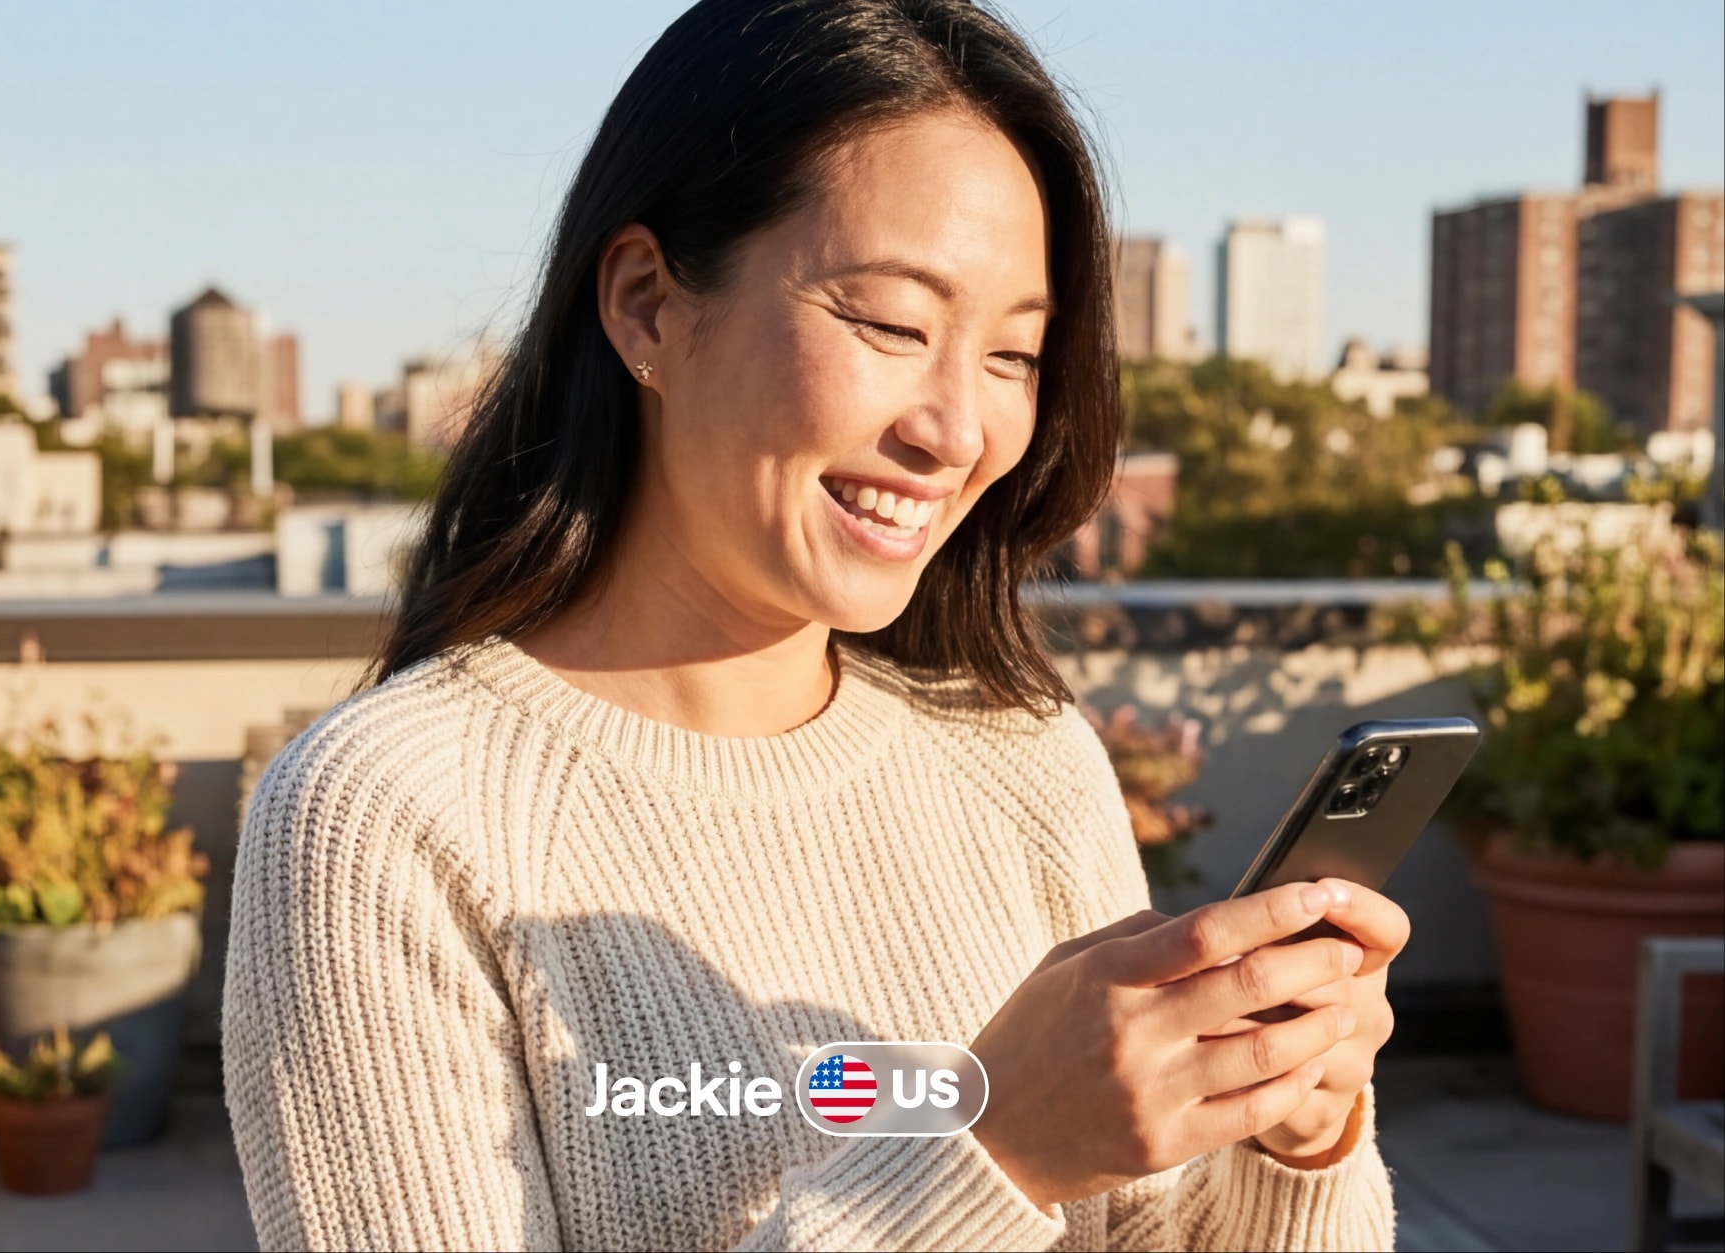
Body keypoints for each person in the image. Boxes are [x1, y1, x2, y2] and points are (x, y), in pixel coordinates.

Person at [222, 1, 1402, 1249]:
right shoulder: (390, 817)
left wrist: (1289, 1133)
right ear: (644, 306)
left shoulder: (1023, 757)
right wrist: (993, 1150)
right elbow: (1004, 1156)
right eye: (892, 324)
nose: (956, 430)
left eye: (1011, 354)